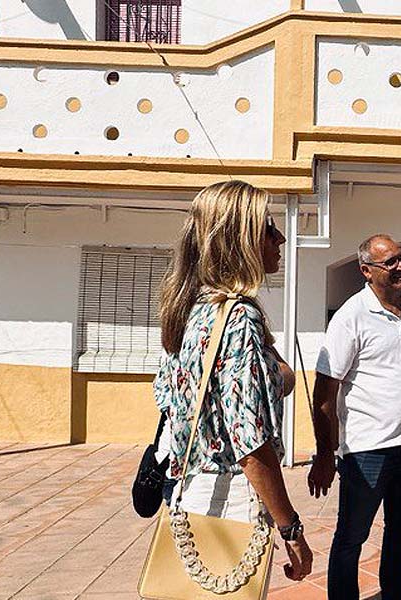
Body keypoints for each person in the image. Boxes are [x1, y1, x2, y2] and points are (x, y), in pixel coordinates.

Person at [153, 180, 313, 585]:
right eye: (267, 229)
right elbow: (249, 441)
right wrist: (291, 528)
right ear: (238, 240)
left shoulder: (188, 308)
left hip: (191, 488)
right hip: (234, 497)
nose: (278, 238)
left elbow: (168, 398)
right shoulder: (238, 318)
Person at [309, 234, 401, 600]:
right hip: (368, 450)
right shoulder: (352, 315)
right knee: (352, 536)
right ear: (366, 271)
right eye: (391, 263)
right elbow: (325, 389)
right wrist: (325, 453)